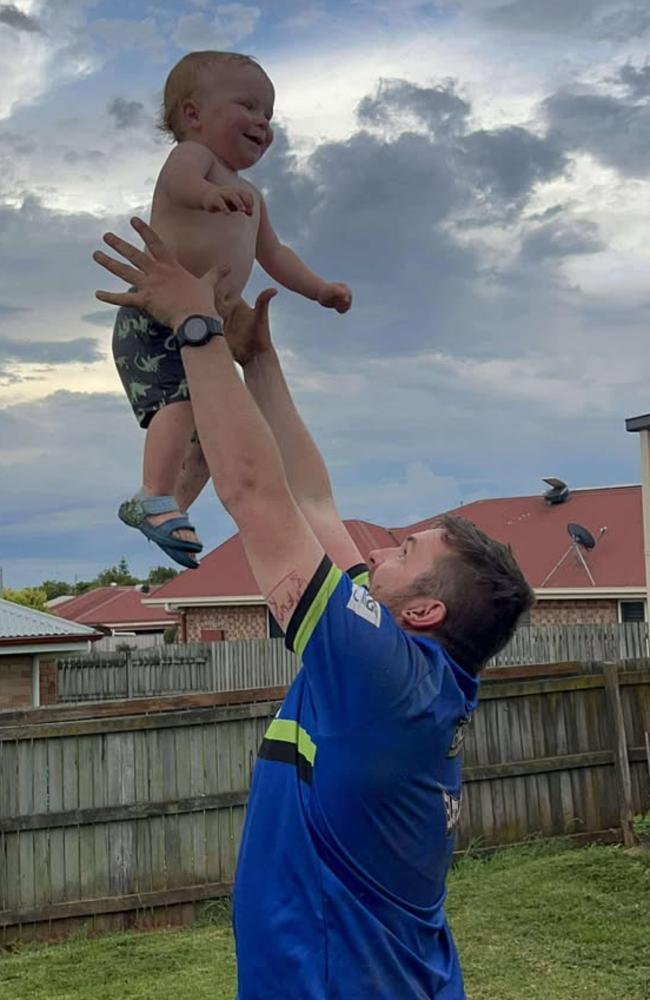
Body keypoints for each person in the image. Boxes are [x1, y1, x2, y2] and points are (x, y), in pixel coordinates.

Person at [94, 218, 535, 999]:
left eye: (407, 552)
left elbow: (259, 496)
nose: (382, 550)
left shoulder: (380, 675)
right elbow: (313, 498)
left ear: (425, 610)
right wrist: (258, 361)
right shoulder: (409, 677)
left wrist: (194, 327)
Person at [112, 50, 352, 569]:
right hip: (158, 316)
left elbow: (275, 255)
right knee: (177, 406)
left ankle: (168, 506)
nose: (264, 122)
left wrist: (319, 289)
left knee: (210, 435)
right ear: (194, 115)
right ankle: (153, 494)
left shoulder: (252, 196)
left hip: (205, 328)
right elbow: (178, 185)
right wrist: (206, 195)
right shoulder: (194, 159)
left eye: (270, 114)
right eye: (249, 105)